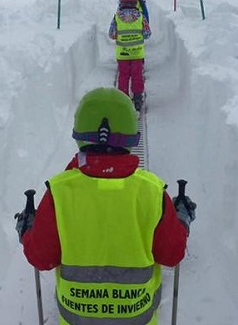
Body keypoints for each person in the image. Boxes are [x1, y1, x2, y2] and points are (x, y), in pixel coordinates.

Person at [16, 87, 195, 325]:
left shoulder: (59, 193)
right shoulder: (152, 193)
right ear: (132, 136)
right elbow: (172, 254)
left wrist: (28, 230)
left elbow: (42, 258)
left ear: (79, 135)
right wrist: (181, 218)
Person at [108, 0, 151, 111]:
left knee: (124, 76)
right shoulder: (141, 17)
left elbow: (111, 34)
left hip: (123, 55)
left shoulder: (117, 17)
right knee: (137, 76)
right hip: (137, 54)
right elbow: (147, 34)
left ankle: (123, 99)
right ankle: (137, 99)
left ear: (121, 2)